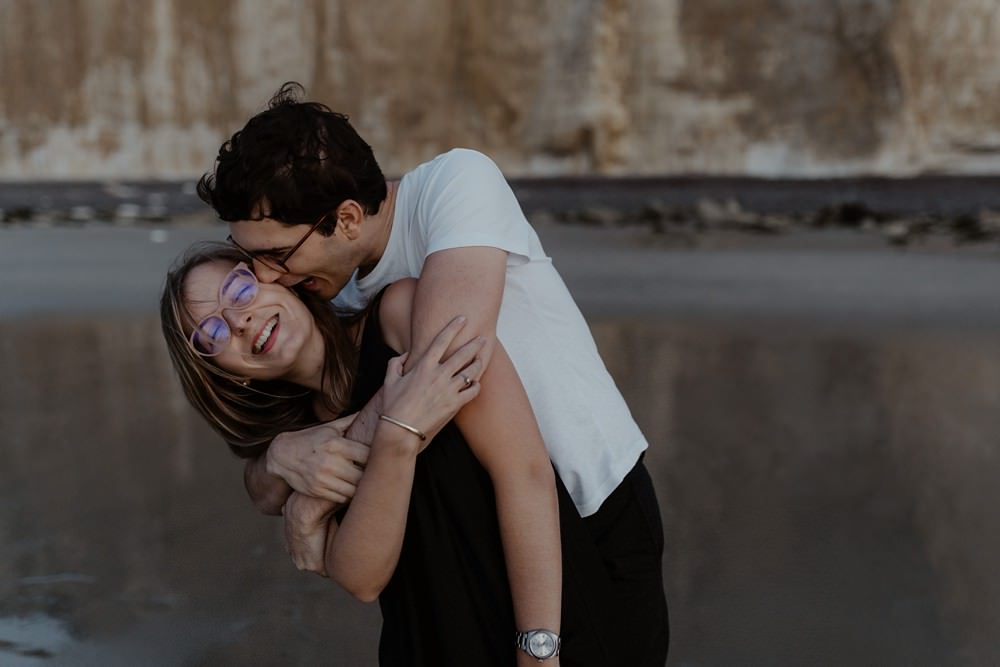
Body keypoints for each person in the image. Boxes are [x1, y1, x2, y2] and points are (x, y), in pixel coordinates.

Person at [198, 82, 669, 665]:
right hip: (485, 530)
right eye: (251, 259)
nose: (266, 280)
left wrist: (310, 499)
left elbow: (443, 374)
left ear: (345, 219)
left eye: (277, 256)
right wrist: (277, 462)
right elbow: (288, 464)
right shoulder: (332, 295)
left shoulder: (455, 186)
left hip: (594, 502)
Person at [160, 242, 621, 665]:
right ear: (227, 374)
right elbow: (361, 577)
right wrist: (394, 443)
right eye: (213, 333)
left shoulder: (403, 315)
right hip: (426, 645)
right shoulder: (304, 440)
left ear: (271, 277)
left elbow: (525, 472)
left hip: (549, 628)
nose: (239, 321)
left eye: (238, 290)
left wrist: (538, 651)